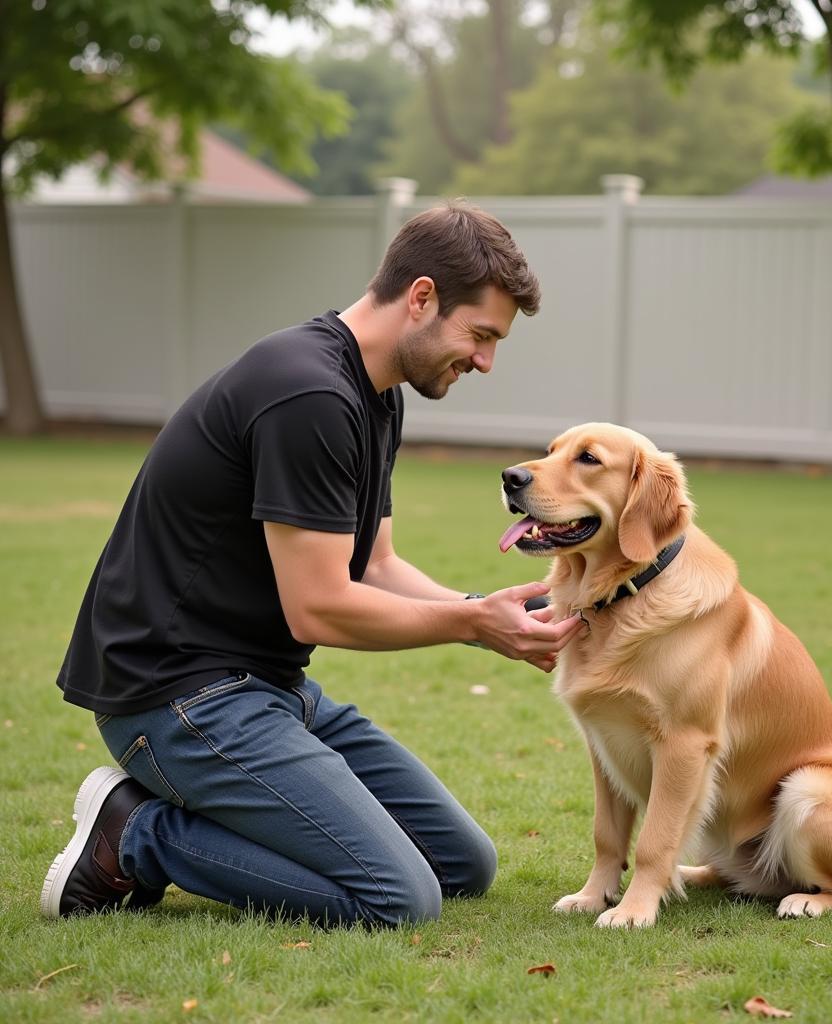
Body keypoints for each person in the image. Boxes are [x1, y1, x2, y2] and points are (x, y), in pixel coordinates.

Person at [41, 201, 584, 926]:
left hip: (270, 689)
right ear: (421, 297)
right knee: (399, 900)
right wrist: (472, 626)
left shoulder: (378, 393)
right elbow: (320, 605)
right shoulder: (307, 393)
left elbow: (377, 564)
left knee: (462, 865)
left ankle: (192, 815)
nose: (484, 360)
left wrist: (487, 606)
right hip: (176, 696)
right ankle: (136, 835)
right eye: (480, 334)